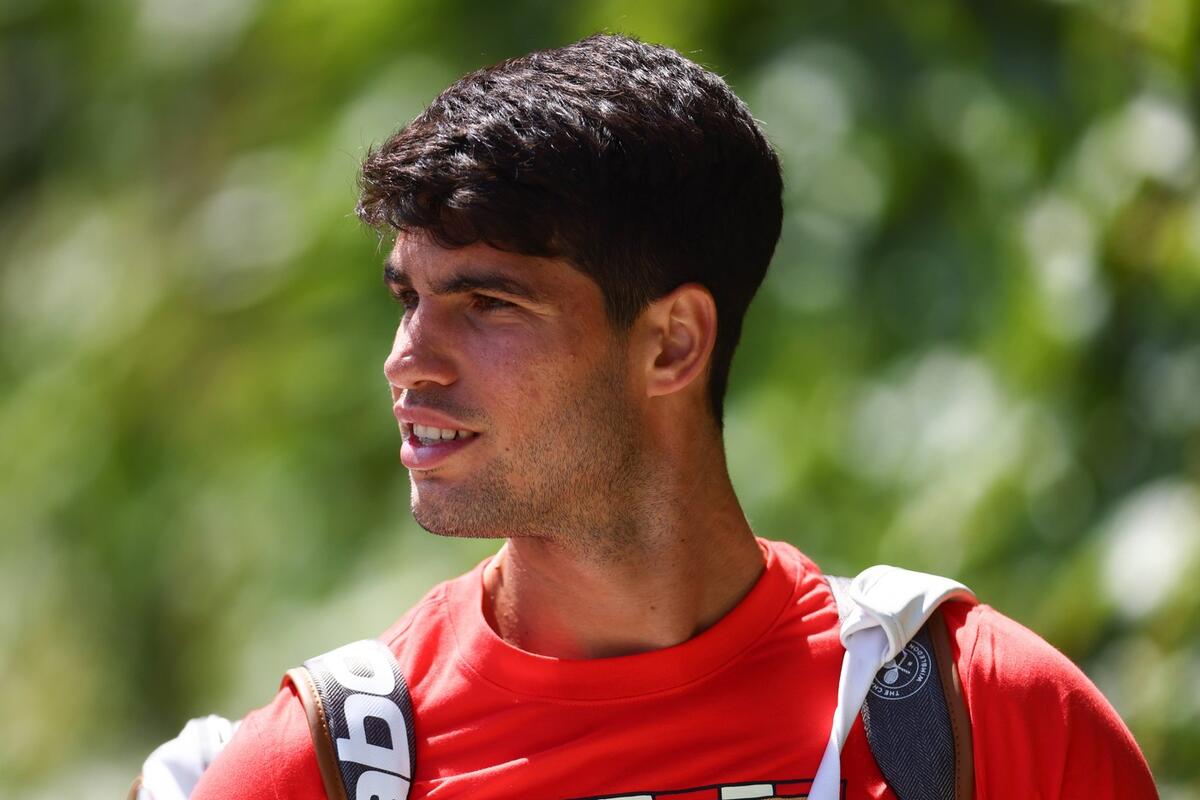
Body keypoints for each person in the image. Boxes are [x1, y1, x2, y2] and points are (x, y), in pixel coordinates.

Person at [183, 33, 1156, 799]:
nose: (407, 360)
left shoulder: (995, 720)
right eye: (409, 298)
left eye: (486, 303)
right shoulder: (311, 771)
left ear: (673, 344)